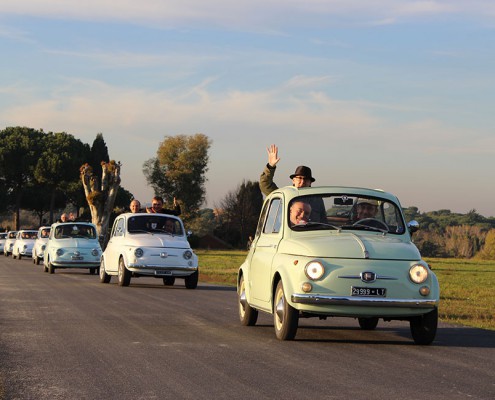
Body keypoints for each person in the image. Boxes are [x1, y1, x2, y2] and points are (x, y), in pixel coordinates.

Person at [259, 144, 326, 223]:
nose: (302, 181)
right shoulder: (284, 195)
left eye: (306, 179)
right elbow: (265, 184)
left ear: (310, 182)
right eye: (299, 178)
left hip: (312, 234)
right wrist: (271, 166)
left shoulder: (317, 199)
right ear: (293, 180)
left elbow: (323, 221)